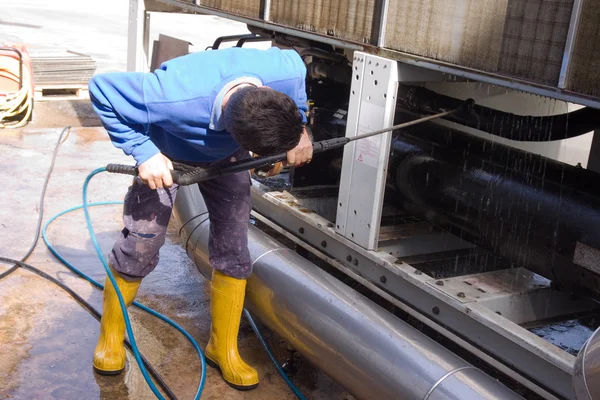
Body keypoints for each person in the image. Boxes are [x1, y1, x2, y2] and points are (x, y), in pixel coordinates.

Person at [88, 46, 312, 390]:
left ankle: (222, 349)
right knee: (142, 244)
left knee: (236, 249)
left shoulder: (284, 69)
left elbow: (297, 77)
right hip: (167, 157)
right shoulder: (171, 94)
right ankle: (111, 337)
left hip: (229, 158)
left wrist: (301, 132)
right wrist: (145, 152)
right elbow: (102, 88)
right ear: (230, 128)